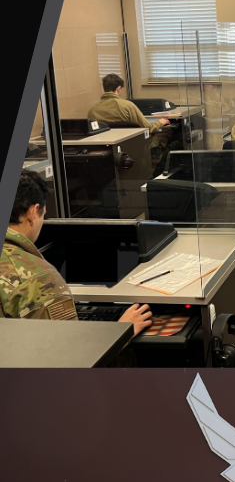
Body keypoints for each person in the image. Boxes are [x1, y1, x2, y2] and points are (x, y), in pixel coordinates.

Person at [2, 170, 152, 333]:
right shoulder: (39, 279)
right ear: (32, 212)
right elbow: (68, 353)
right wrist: (122, 331)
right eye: (43, 214)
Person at [87, 74, 171, 131]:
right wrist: (161, 122)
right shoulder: (127, 106)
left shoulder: (93, 110)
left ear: (104, 88)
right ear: (118, 89)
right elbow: (147, 128)